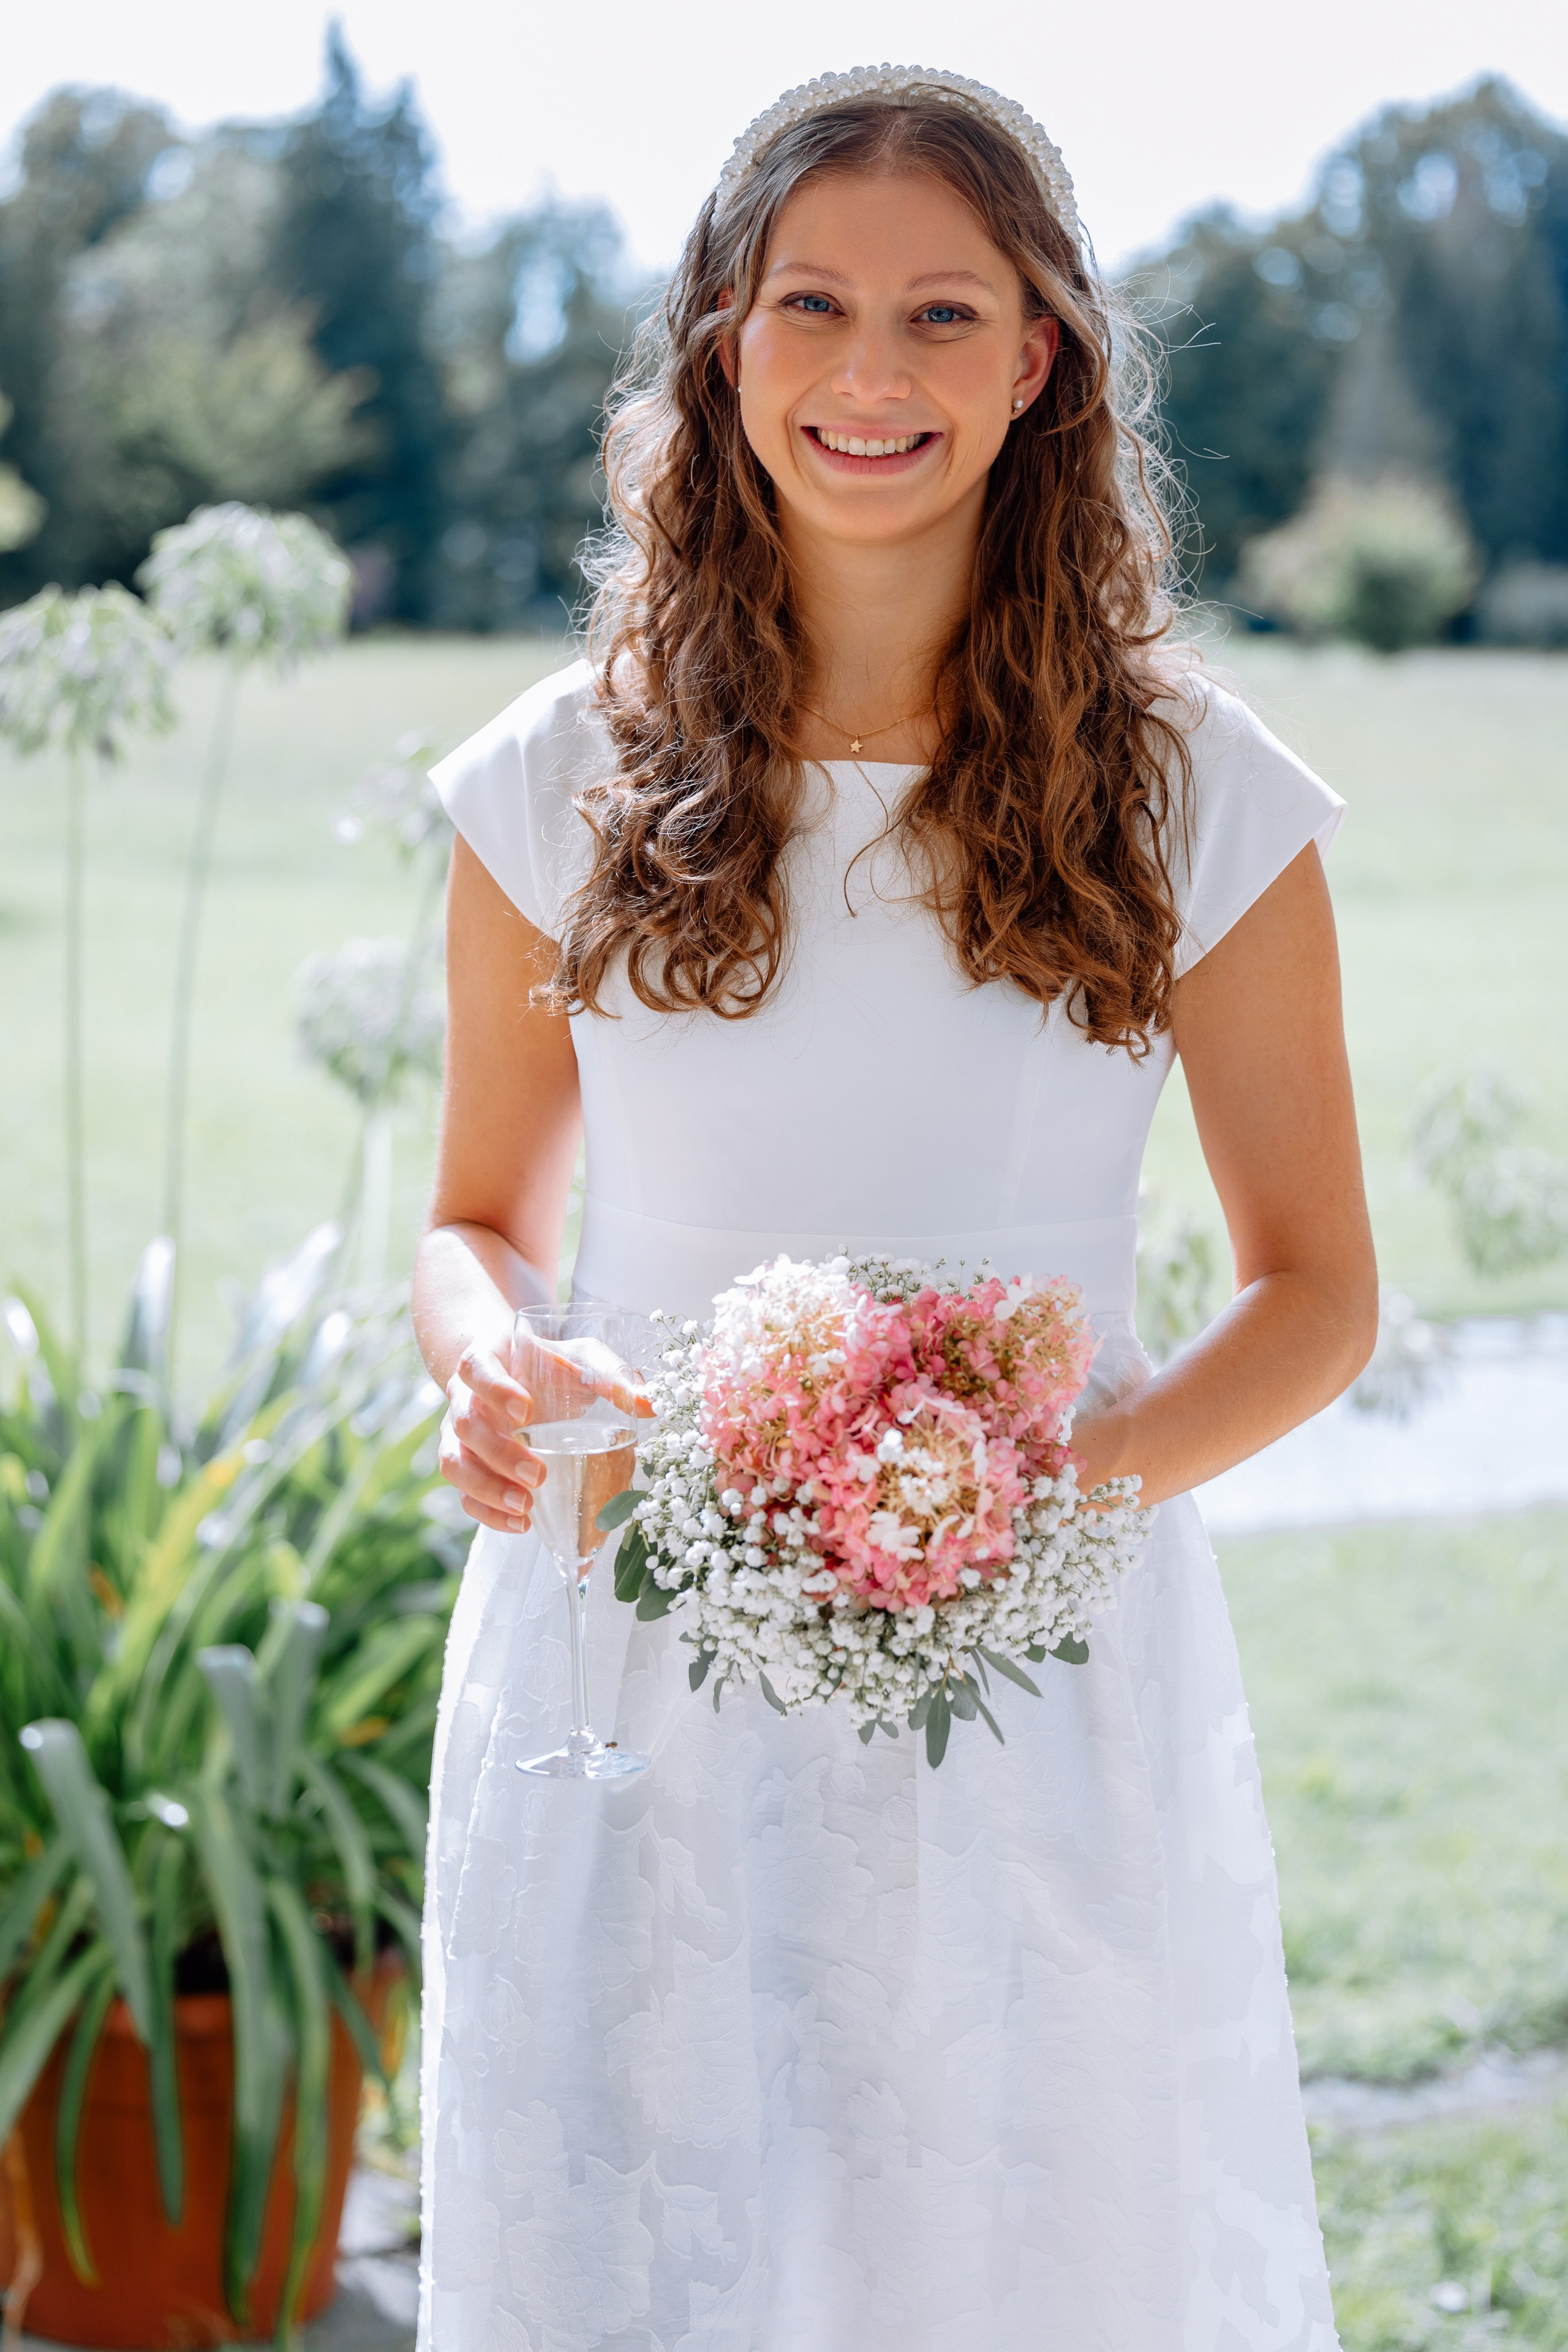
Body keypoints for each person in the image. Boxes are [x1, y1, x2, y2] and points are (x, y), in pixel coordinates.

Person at [411, 65, 1374, 2351]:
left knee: (1014, 2259)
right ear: (723, 340)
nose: (873, 372)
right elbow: (474, 1221)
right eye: (813, 305)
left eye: (944, 313)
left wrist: (1023, 1502)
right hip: (632, 1635)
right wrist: (490, 1360)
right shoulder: (554, 777)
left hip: (1039, 1669)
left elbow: (1319, 1293)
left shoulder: (1197, 794)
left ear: (1038, 362)